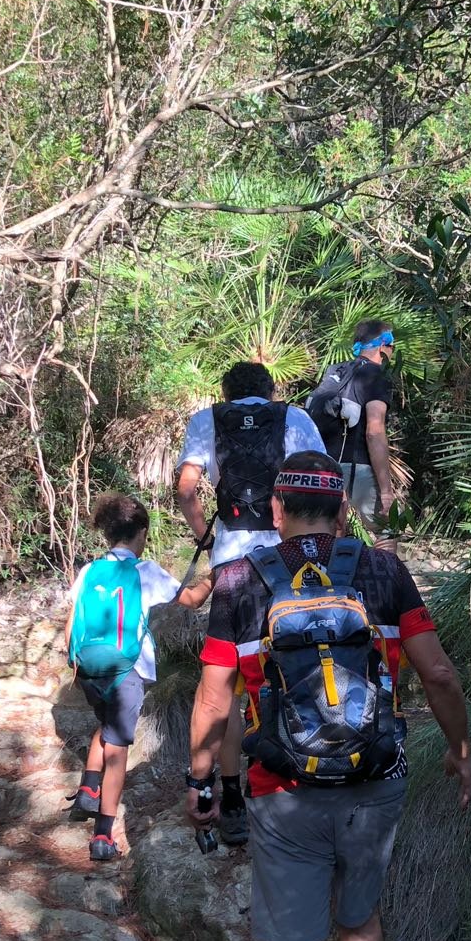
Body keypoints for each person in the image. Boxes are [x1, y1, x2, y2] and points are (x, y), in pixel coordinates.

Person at [185, 450, 471, 941]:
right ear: (342, 511)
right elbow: (436, 670)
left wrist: (200, 781)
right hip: (376, 783)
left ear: (275, 512)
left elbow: (215, 699)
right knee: (361, 921)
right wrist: (460, 748)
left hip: (283, 794)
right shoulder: (382, 570)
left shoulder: (238, 580)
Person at [176, 361, 325, 847]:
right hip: (288, 560)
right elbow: (321, 480)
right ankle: (293, 777)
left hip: (232, 561)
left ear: (227, 392)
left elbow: (186, 488)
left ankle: (232, 795)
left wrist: (207, 534)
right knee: (292, 666)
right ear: (270, 390)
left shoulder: (207, 419)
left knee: (231, 684)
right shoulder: (295, 418)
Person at [67, 493, 212, 863]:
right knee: (118, 749)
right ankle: (102, 836)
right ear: (142, 532)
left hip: (88, 666)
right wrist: (215, 576)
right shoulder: (145, 571)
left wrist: (75, 665)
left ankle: (88, 787)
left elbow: (72, 621)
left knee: (106, 723)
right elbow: (191, 600)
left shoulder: (89, 570)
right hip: (126, 669)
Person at [305, 320, 396, 550]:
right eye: (392, 345)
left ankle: (332, 584)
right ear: (383, 346)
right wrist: (386, 490)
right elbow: (374, 432)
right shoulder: (375, 376)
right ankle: (387, 584)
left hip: (321, 467)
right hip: (356, 467)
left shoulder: (336, 372)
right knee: (388, 527)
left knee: (333, 529)